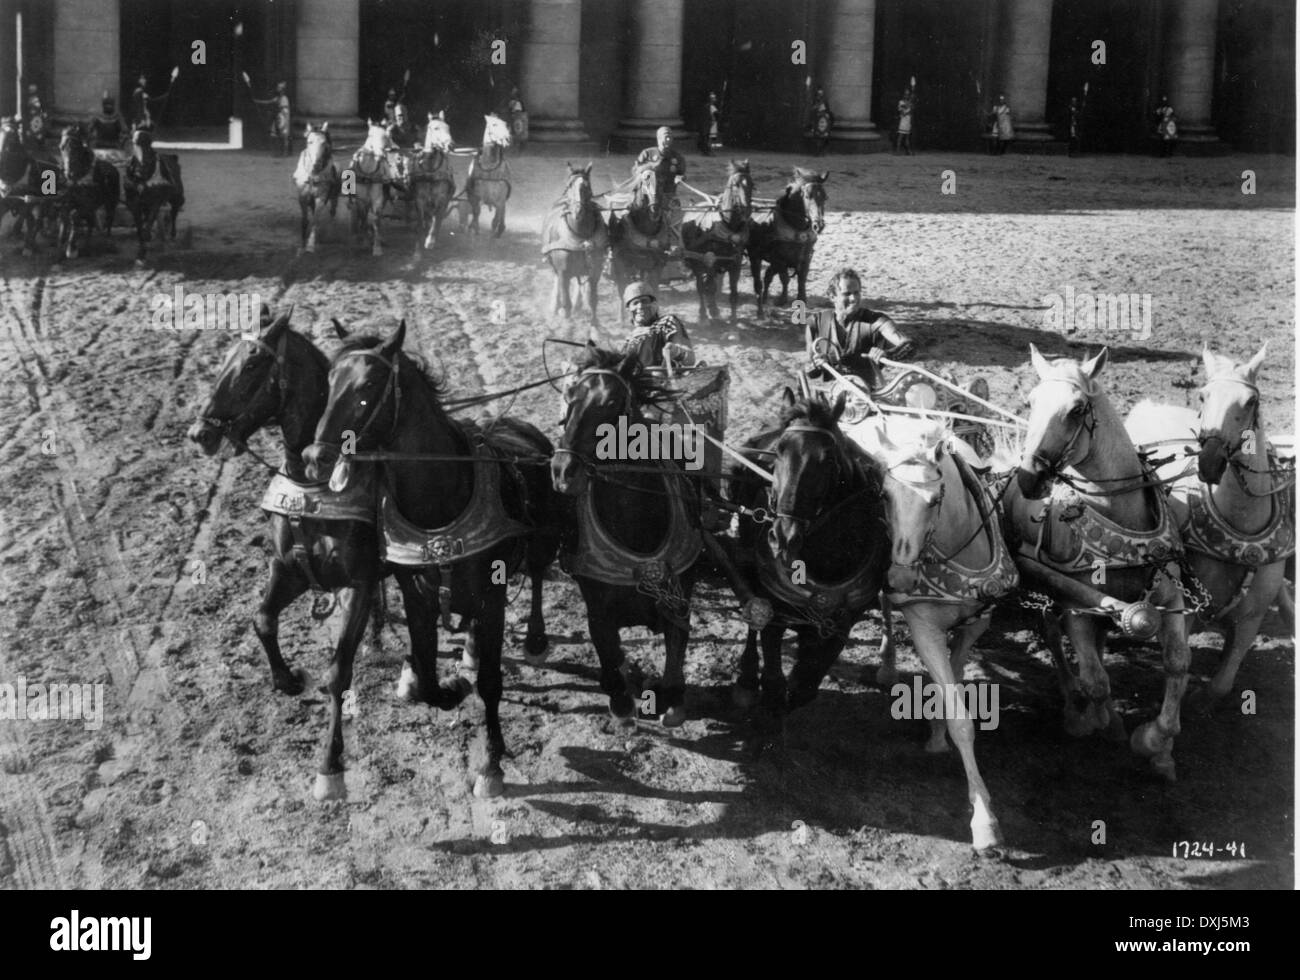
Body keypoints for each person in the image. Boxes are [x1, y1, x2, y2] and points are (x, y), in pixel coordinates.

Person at [805, 268, 916, 389]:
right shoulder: (816, 322)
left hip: (865, 397)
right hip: (831, 397)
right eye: (847, 294)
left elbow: (910, 346)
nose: (854, 299)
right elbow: (810, 373)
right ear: (832, 296)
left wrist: (887, 355)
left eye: (857, 293)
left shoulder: (875, 321)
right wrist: (817, 365)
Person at [633, 125, 687, 260]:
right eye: (664, 137)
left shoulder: (677, 157)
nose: (667, 140)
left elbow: (682, 173)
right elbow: (635, 170)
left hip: (668, 195)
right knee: (629, 212)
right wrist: (648, 168)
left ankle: (674, 246)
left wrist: (681, 178)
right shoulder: (647, 154)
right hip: (647, 195)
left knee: (676, 216)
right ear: (658, 139)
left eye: (670, 137)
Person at [621, 281, 696, 370]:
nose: (640, 306)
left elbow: (690, 359)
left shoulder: (667, 322)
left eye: (644, 301)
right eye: (635, 303)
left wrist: (677, 351)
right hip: (635, 382)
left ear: (654, 304)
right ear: (628, 309)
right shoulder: (630, 339)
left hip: (664, 380)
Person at [251, 80, 292, 156]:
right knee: (275, 134)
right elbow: (268, 102)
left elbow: (285, 110)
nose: (278, 89)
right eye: (278, 87)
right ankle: (277, 151)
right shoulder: (277, 98)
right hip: (279, 117)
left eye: (280, 88)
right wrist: (257, 101)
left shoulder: (284, 98)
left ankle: (285, 152)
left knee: (284, 135)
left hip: (283, 117)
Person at [806, 86, 833, 155]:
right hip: (816, 120)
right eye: (819, 93)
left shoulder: (824, 101)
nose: (820, 94)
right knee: (817, 136)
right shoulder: (815, 100)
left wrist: (827, 114)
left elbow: (827, 109)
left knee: (824, 136)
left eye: (821, 93)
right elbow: (812, 109)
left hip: (823, 120)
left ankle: (822, 150)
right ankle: (817, 151)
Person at [698, 91, 722, 155]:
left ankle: (706, 150)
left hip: (708, 124)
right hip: (711, 125)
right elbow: (716, 114)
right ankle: (708, 151)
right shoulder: (710, 107)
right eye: (712, 98)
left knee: (707, 138)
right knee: (709, 139)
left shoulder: (707, 106)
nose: (714, 99)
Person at [894, 87, 915, 155]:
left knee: (907, 137)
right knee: (900, 136)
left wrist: (912, 103)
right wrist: (910, 102)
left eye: (908, 94)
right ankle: (897, 151)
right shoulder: (901, 102)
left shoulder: (910, 102)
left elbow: (912, 110)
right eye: (905, 94)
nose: (907, 95)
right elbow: (903, 111)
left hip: (908, 121)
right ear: (903, 95)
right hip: (903, 120)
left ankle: (908, 151)